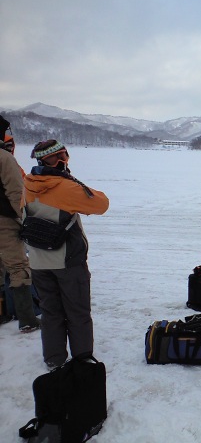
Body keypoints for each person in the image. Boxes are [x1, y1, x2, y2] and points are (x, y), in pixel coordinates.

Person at [23, 140, 109, 368]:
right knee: (78, 311)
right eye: (57, 157)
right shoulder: (66, 188)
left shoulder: (27, 184)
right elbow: (101, 204)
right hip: (68, 261)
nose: (62, 161)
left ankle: (54, 359)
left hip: (39, 261)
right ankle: (82, 358)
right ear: (44, 160)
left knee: (51, 312)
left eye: (65, 156)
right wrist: (71, 180)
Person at [0, 116, 41, 332]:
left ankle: (3, 313)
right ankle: (27, 319)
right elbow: (16, 193)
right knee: (18, 268)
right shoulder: (5, 159)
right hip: (4, 221)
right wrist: (24, 221)